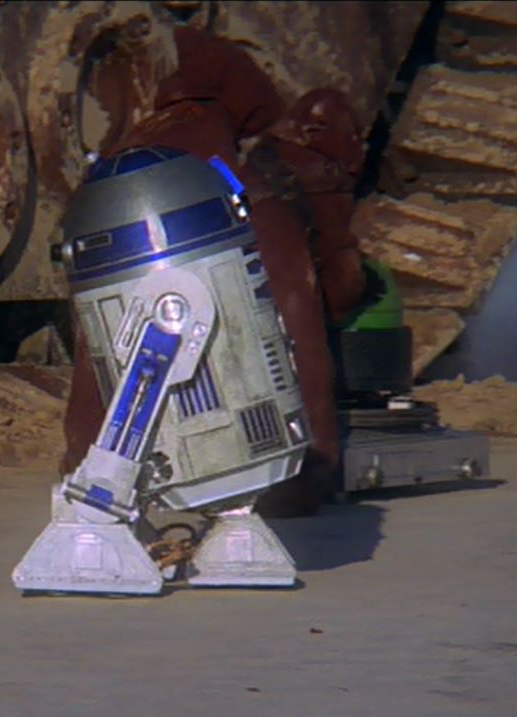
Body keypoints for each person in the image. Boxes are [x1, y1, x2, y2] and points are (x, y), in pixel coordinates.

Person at [60, 26, 374, 517]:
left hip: (106, 465)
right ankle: (299, 471)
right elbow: (309, 312)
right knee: (286, 296)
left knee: (106, 338)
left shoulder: (126, 159)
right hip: (212, 232)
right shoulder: (226, 160)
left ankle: (86, 468)